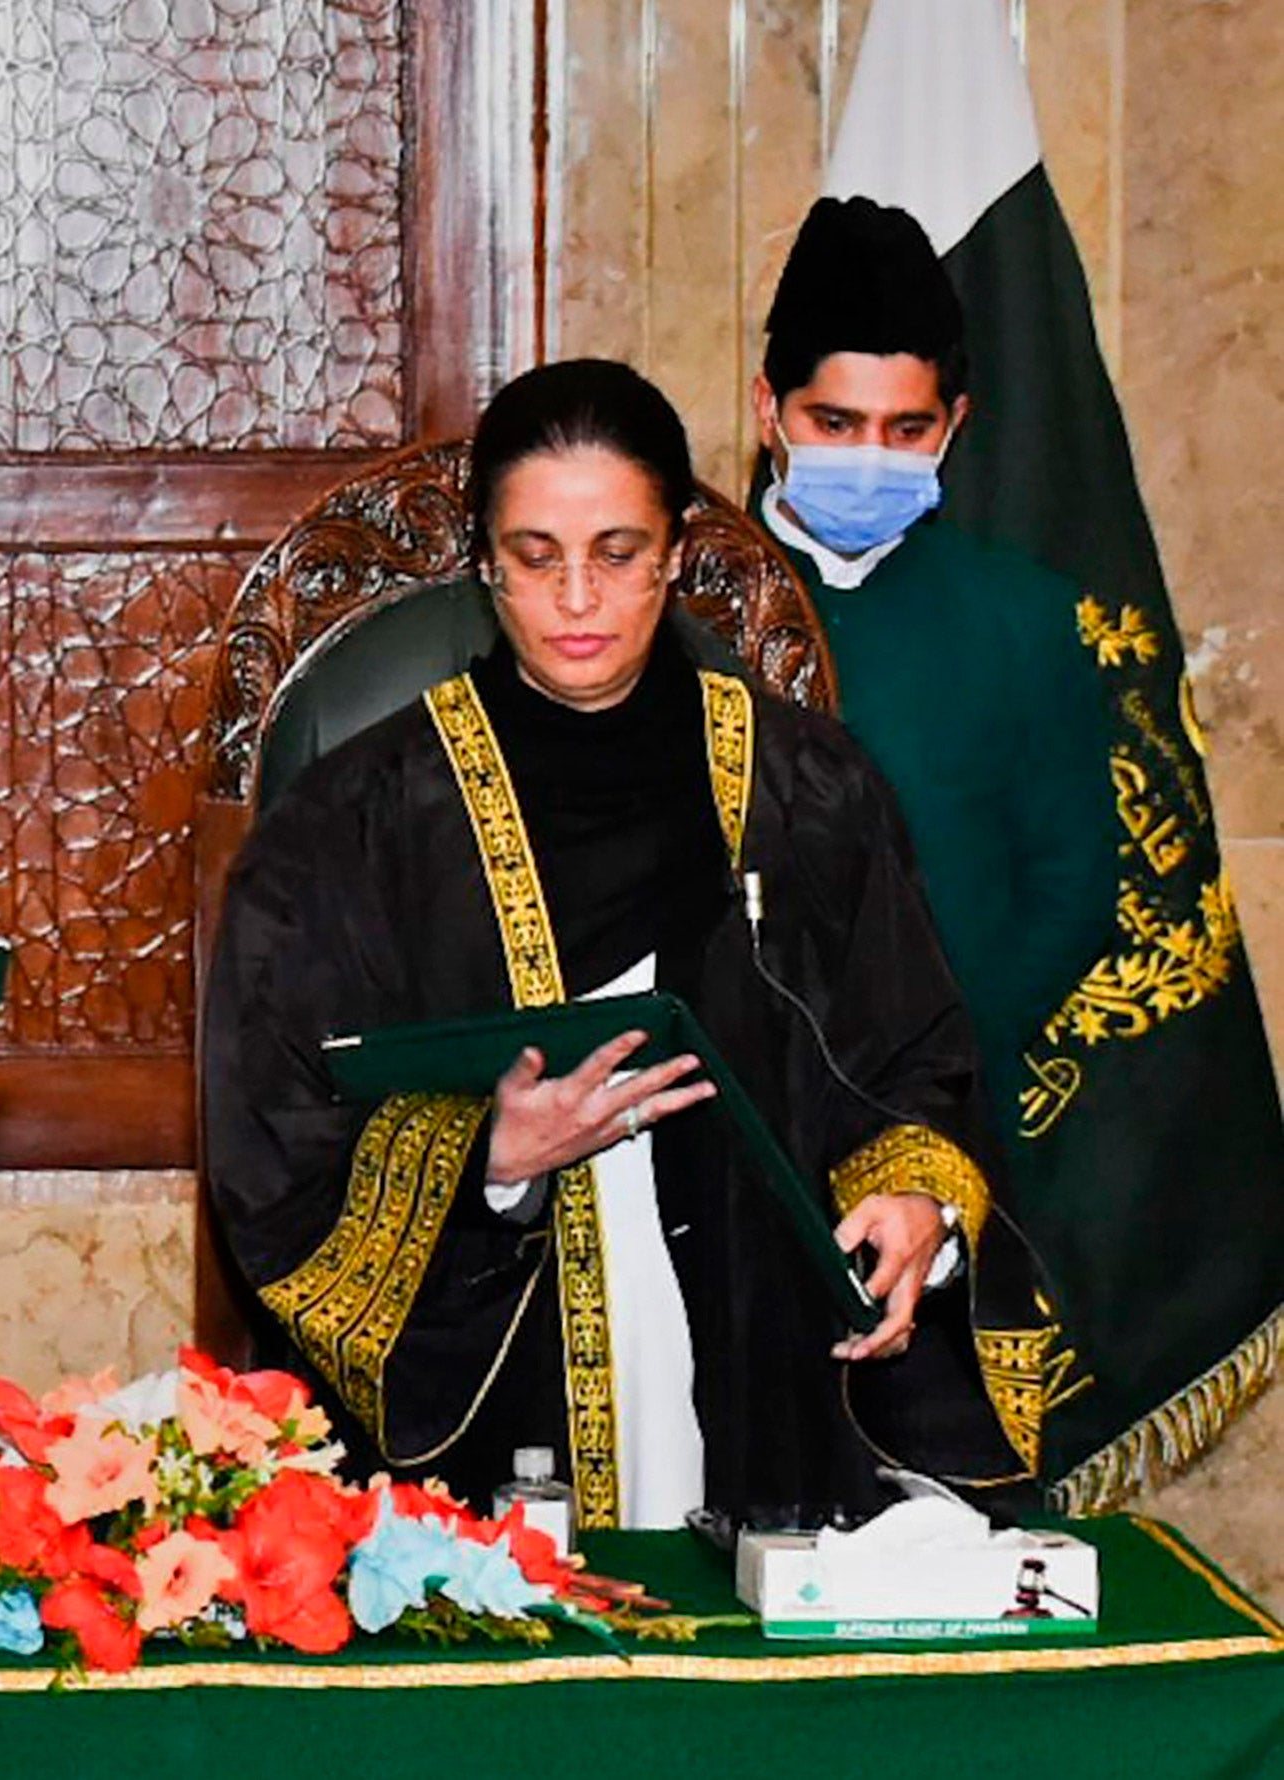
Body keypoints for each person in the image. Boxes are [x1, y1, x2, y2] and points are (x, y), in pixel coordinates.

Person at [202, 359, 1045, 1532]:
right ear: (484, 561)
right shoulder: (358, 819)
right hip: (496, 1381)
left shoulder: (803, 786)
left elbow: (913, 1052)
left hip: (775, 1356)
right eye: (537, 557)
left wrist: (914, 1198)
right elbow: (271, 1131)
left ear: (676, 556)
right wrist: (487, 1160)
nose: (577, 599)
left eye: (617, 552)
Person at [751, 195, 1119, 1103]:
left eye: (906, 429)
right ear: (769, 410)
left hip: (950, 1104)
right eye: (834, 424)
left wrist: (934, 1066)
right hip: (712, 1112)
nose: (870, 455)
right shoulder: (675, 599)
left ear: (956, 423)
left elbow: (1071, 891)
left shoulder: (1023, 618)